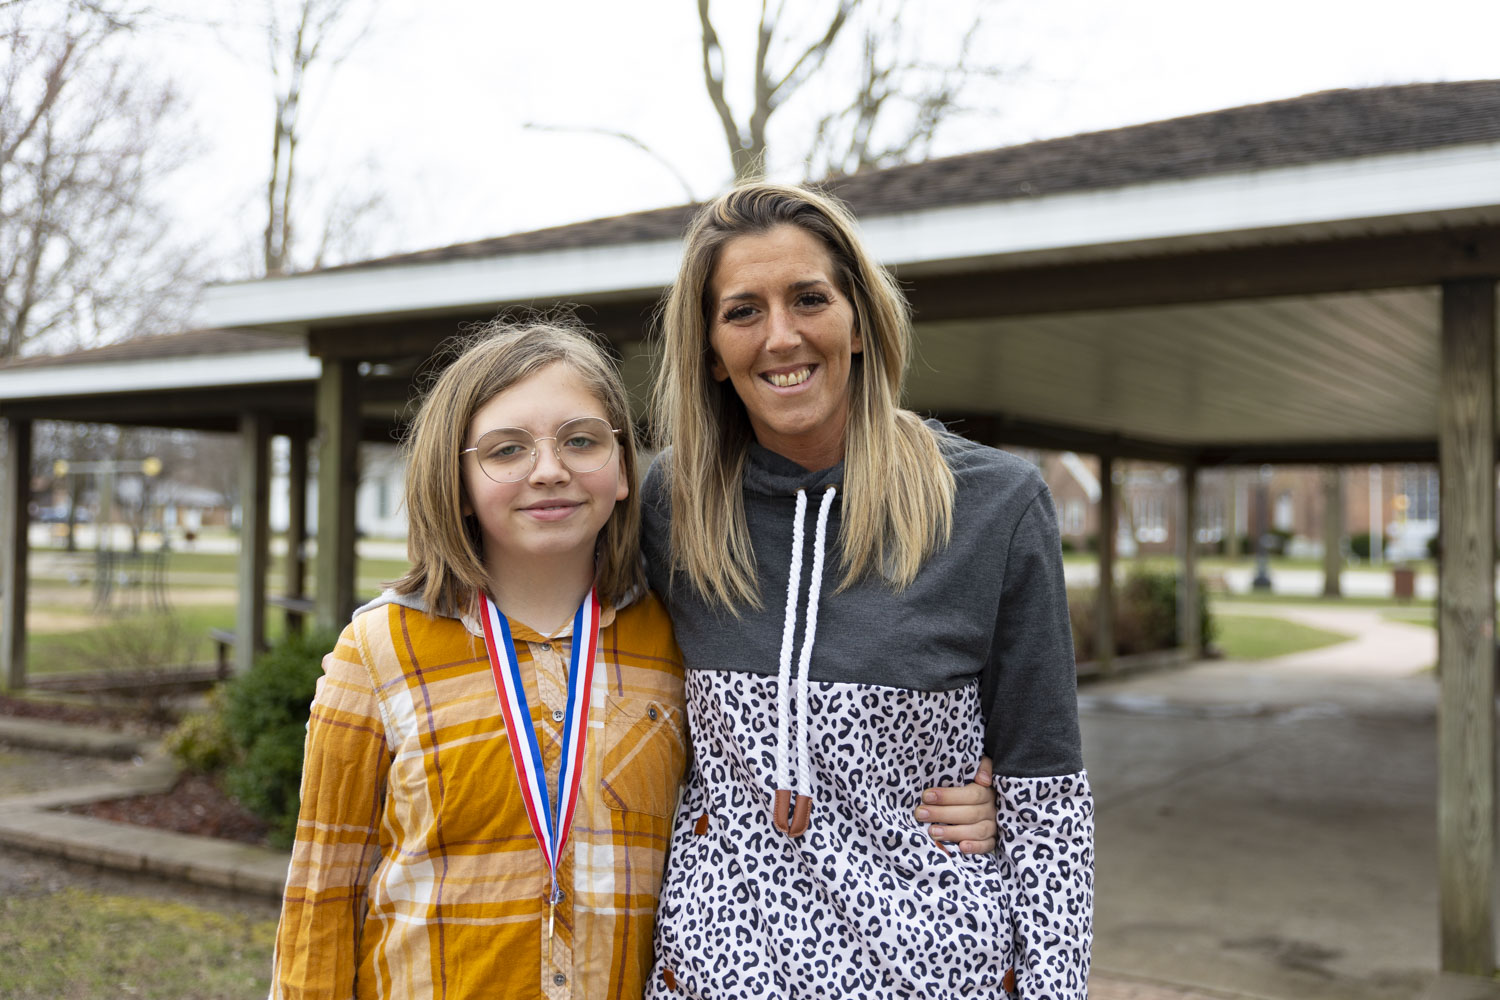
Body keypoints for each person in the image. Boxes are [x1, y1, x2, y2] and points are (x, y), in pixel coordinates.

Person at [268, 319, 997, 1000]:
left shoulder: (676, 640)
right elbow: (321, 896)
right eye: (505, 449)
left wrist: (949, 793)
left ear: (623, 471)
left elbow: (781, 767)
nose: (548, 470)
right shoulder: (378, 651)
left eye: (582, 441)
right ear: (456, 483)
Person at [642, 184, 1094, 999]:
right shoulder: (672, 508)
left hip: (932, 975)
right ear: (710, 348)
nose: (781, 336)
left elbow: (1048, 801)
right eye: (743, 311)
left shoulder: (995, 505)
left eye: (809, 299)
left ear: (858, 320)